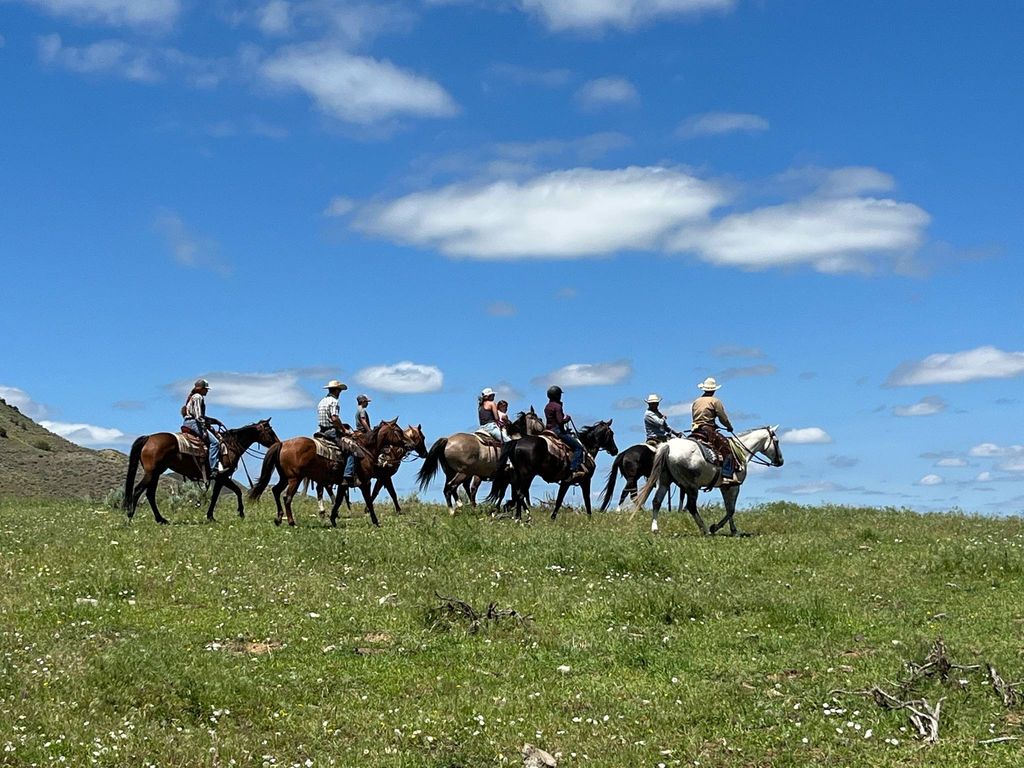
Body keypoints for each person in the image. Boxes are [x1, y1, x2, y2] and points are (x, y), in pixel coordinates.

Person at [690, 377, 738, 484]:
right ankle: (726, 476)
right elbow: (723, 418)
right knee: (727, 448)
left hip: (695, 430)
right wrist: (729, 426)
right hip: (708, 430)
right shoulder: (715, 401)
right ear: (714, 390)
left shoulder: (696, 401)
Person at [181, 378, 225, 479]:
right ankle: (214, 469)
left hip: (188, 422)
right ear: (201, 389)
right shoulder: (198, 397)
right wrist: (205, 428)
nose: (207, 391)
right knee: (215, 443)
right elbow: (198, 416)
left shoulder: (193, 397)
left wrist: (214, 421)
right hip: (194, 423)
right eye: (206, 389)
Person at [317, 380, 357, 485]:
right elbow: (334, 418)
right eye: (339, 391)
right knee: (351, 450)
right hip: (331, 431)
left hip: (321, 430)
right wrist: (344, 430)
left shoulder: (322, 401)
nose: (340, 393)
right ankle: (347, 475)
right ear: (337, 391)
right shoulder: (334, 401)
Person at [544, 385, 585, 480]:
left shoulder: (547, 406)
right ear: (557, 395)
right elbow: (560, 421)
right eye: (559, 395)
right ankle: (573, 469)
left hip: (548, 430)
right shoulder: (557, 406)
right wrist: (567, 418)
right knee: (579, 448)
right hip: (557, 431)